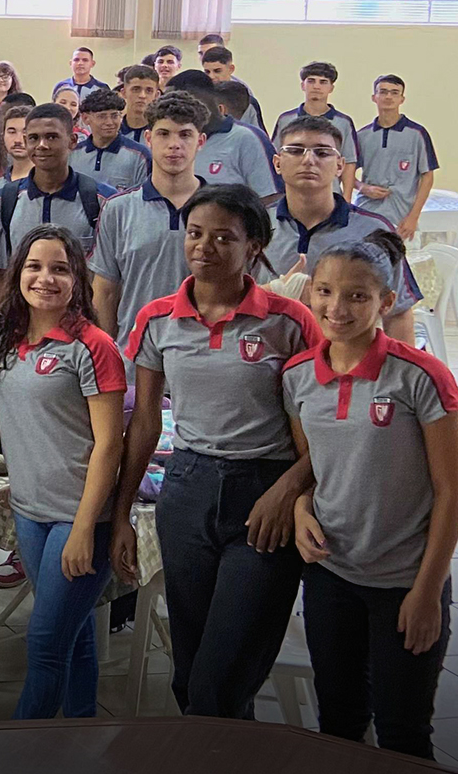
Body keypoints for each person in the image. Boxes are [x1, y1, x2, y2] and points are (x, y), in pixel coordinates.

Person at [114, 184, 320, 719]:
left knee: (222, 675)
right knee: (190, 668)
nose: (203, 247)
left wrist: (288, 491)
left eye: (223, 237)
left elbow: (324, 430)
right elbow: (142, 425)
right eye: (196, 234)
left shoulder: (289, 321)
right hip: (187, 489)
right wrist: (121, 516)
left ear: (253, 246)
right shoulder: (158, 318)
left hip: (265, 493)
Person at [286, 234, 458, 758]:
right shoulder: (297, 377)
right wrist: (298, 509)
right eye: (325, 292)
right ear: (310, 293)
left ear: (386, 302)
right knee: (339, 721)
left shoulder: (420, 376)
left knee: (404, 732)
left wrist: (428, 590)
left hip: (404, 582)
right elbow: (313, 468)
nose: (337, 308)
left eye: (358, 296)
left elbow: (451, 489)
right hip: (332, 576)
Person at [0, 226, 125, 718]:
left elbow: (109, 445)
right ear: (18, 273)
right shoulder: (6, 340)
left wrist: (86, 527)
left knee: (43, 643)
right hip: (29, 512)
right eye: (35, 267)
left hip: (78, 517)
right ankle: (80, 733)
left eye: (60, 268)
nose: (46, 278)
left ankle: (23, 753)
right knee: (73, 633)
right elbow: (12, 420)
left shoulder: (93, 345)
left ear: (77, 279)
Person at [269, 115, 420, 341]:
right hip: (265, 358)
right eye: (295, 150)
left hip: (345, 363)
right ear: (278, 163)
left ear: (340, 165)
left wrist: (398, 373)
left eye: (322, 152)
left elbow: (398, 313)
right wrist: (276, 291)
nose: (309, 160)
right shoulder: (255, 224)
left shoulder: (373, 230)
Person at [91, 91, 211, 340]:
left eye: (185, 134)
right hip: (133, 357)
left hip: (204, 358)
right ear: (148, 138)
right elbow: (105, 292)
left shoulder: (222, 211)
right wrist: (109, 355)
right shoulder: (118, 209)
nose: (174, 144)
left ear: (201, 141)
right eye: (164, 133)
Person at [0, 104, 117, 305]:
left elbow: (109, 280)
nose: (42, 145)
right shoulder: (7, 201)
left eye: (52, 137)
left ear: (72, 141)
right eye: (34, 138)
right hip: (22, 322)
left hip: (80, 321)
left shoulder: (102, 201)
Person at [167, 70, 280, 201]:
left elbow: (271, 200)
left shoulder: (247, 138)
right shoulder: (174, 143)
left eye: (173, 102)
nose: (168, 110)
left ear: (196, 100)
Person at [355, 74, 437, 239]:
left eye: (394, 92)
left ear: (402, 99)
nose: (388, 96)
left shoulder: (417, 134)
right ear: (374, 97)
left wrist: (413, 218)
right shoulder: (362, 135)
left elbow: (427, 176)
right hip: (366, 214)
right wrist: (364, 188)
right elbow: (345, 172)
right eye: (383, 92)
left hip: (402, 219)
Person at [272, 62, 359, 196]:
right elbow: (278, 156)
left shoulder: (343, 122)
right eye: (311, 81)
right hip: (292, 195)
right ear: (303, 85)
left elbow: (349, 162)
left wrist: (346, 199)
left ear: (331, 88)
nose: (316, 86)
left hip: (331, 196)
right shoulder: (286, 120)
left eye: (323, 82)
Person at [70, 89, 152, 192]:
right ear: (86, 118)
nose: (109, 122)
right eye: (102, 116)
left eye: (114, 116)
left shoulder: (141, 156)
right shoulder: (72, 155)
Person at [115, 64, 160, 144]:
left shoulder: (162, 133)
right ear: (124, 93)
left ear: (156, 95)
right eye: (136, 89)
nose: (142, 95)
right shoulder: (112, 131)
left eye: (149, 91)